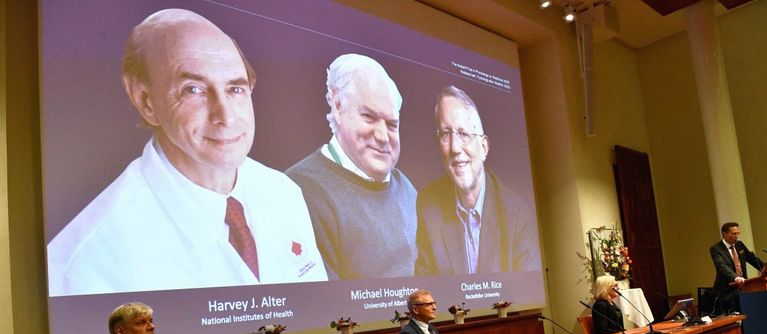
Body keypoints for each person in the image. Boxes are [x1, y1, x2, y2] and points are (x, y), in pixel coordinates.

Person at [47, 9, 327, 296]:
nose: (226, 117)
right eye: (193, 90)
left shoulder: (284, 193)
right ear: (145, 101)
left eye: (235, 89)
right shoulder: (86, 262)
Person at [286, 53, 417, 280]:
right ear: (338, 105)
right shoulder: (298, 190)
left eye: (392, 124)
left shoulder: (406, 188)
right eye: (369, 117)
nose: (383, 136)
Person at [415, 85, 537, 276]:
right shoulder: (428, 205)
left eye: (464, 134)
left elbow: (525, 287)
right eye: (445, 134)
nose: (455, 148)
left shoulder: (516, 215)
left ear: (484, 148)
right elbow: (424, 283)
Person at [710, 222, 763, 315]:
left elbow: (752, 259)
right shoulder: (716, 249)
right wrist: (736, 277)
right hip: (727, 290)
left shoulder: (739, 245)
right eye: (733, 233)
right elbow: (721, 266)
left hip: (743, 287)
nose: (736, 236)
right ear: (724, 234)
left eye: (738, 233)